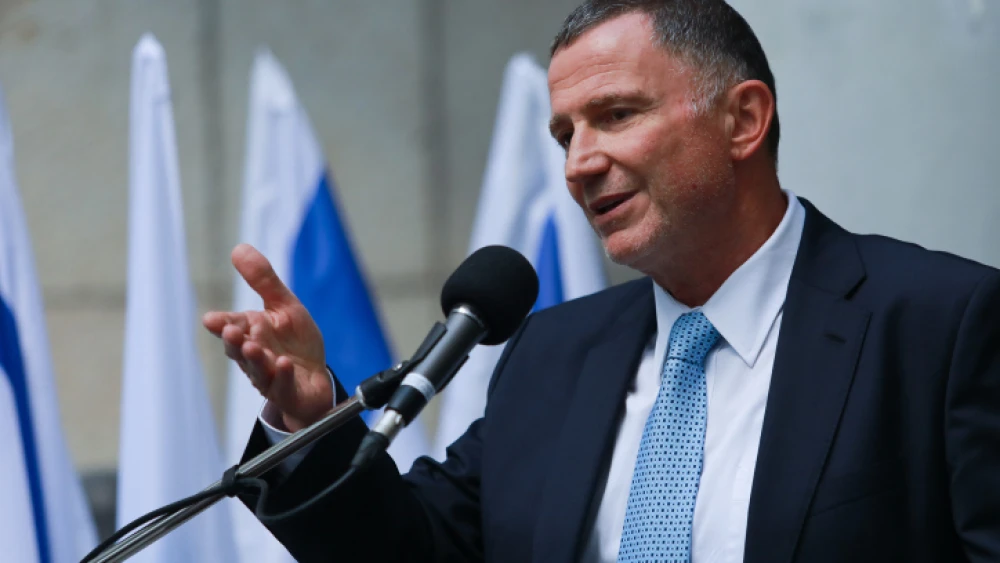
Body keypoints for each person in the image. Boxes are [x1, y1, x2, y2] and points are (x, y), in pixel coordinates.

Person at [203, 1, 1000, 561]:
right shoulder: (552, 354)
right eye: (565, 134)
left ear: (743, 120)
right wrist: (310, 419)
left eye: (616, 115)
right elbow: (416, 550)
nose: (579, 163)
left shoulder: (942, 325)